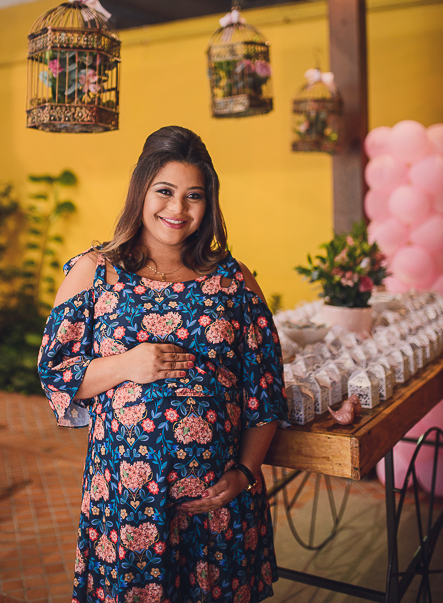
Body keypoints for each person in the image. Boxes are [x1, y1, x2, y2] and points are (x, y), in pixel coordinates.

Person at [38, 125, 287, 603]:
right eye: (165, 192)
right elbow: (57, 373)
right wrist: (128, 364)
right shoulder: (95, 272)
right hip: (128, 505)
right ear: (141, 191)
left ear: (208, 203)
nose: (178, 209)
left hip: (218, 503)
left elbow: (265, 389)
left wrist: (244, 472)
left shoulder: (233, 280)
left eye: (194, 196)